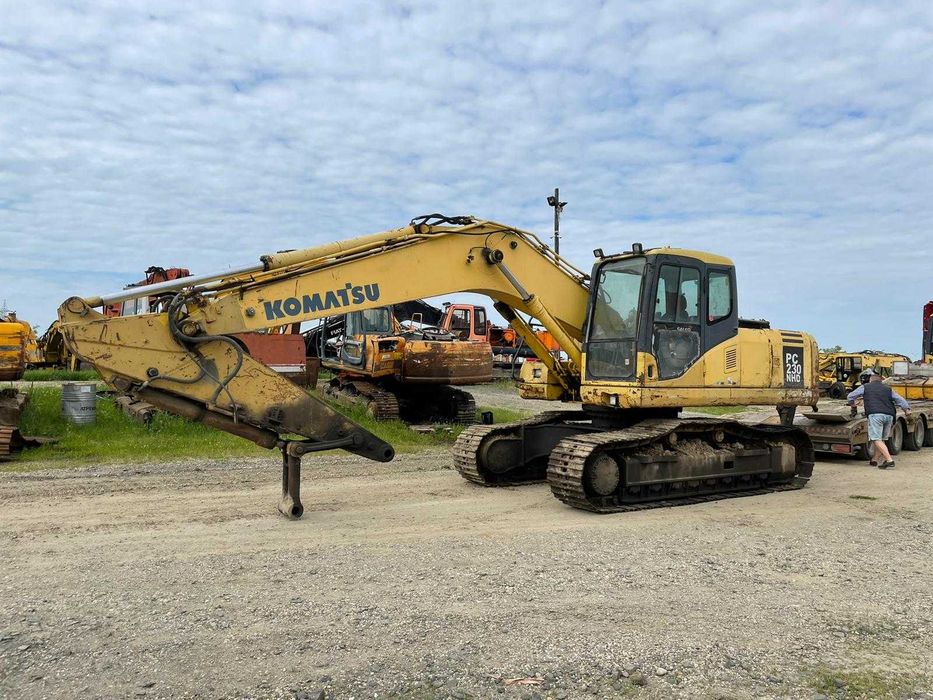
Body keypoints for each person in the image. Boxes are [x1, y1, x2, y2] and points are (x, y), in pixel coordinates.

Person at [847, 370, 910, 469]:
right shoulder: (888, 389)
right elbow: (900, 400)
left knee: (876, 439)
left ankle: (889, 460)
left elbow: (850, 396)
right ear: (881, 381)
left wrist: (852, 404)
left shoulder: (865, 387)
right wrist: (906, 410)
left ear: (870, 381)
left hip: (876, 415)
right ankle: (875, 460)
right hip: (889, 415)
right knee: (881, 440)